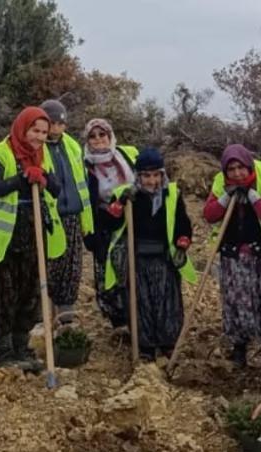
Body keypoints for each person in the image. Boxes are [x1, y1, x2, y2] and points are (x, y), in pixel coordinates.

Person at [0, 107, 64, 370]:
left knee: (30, 292)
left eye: (44, 132)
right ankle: (4, 352)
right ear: (22, 128)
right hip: (4, 238)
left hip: (33, 233)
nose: (39, 136)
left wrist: (44, 177)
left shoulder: (42, 155)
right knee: (3, 294)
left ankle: (22, 347)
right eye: (35, 130)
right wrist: (22, 178)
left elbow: (57, 189)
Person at [101, 147, 195, 360]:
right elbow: (109, 223)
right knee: (140, 302)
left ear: (162, 174)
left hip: (164, 258)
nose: (151, 181)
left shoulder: (172, 194)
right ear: (138, 176)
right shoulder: (126, 195)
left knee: (167, 301)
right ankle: (145, 346)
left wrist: (182, 244)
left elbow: (183, 224)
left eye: (155, 175)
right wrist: (121, 203)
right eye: (146, 176)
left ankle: (168, 342)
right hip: (137, 258)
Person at [204, 144, 261, 365]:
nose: (237, 173)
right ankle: (239, 346)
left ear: (249, 165)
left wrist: (253, 195)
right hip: (233, 252)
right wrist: (227, 197)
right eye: (232, 169)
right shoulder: (221, 181)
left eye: (241, 168)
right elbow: (209, 215)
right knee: (236, 301)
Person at [39, 99, 94, 329]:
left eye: (60, 123)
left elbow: (81, 180)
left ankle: (66, 317)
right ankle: (44, 318)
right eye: (51, 123)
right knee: (49, 267)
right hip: (50, 217)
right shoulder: (36, 145)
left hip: (73, 214)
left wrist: (85, 220)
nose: (56, 128)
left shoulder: (71, 145)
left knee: (71, 268)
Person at [81, 118, 140, 328]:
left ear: (110, 135)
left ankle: (138, 318)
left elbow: (145, 178)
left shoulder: (126, 155)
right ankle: (119, 321)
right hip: (105, 225)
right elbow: (87, 199)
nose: (98, 140)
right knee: (110, 274)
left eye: (102, 134)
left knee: (133, 270)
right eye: (93, 136)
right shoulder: (84, 165)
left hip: (134, 222)